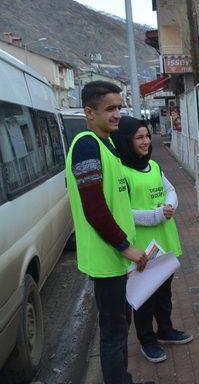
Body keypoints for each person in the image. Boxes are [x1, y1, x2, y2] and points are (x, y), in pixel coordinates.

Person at [65, 81, 151, 384]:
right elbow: (94, 208)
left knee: (119, 326)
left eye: (119, 107)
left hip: (114, 258)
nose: (117, 114)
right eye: (110, 108)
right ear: (89, 112)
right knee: (114, 332)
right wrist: (125, 247)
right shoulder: (87, 145)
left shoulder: (106, 144)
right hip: (107, 258)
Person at [111, 116, 193, 364]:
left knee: (164, 293)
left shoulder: (154, 166)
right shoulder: (122, 173)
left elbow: (170, 190)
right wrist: (156, 215)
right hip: (142, 248)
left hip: (164, 243)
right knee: (144, 297)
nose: (146, 141)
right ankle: (147, 341)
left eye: (147, 136)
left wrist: (169, 205)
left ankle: (165, 330)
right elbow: (123, 212)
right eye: (139, 137)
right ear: (127, 141)